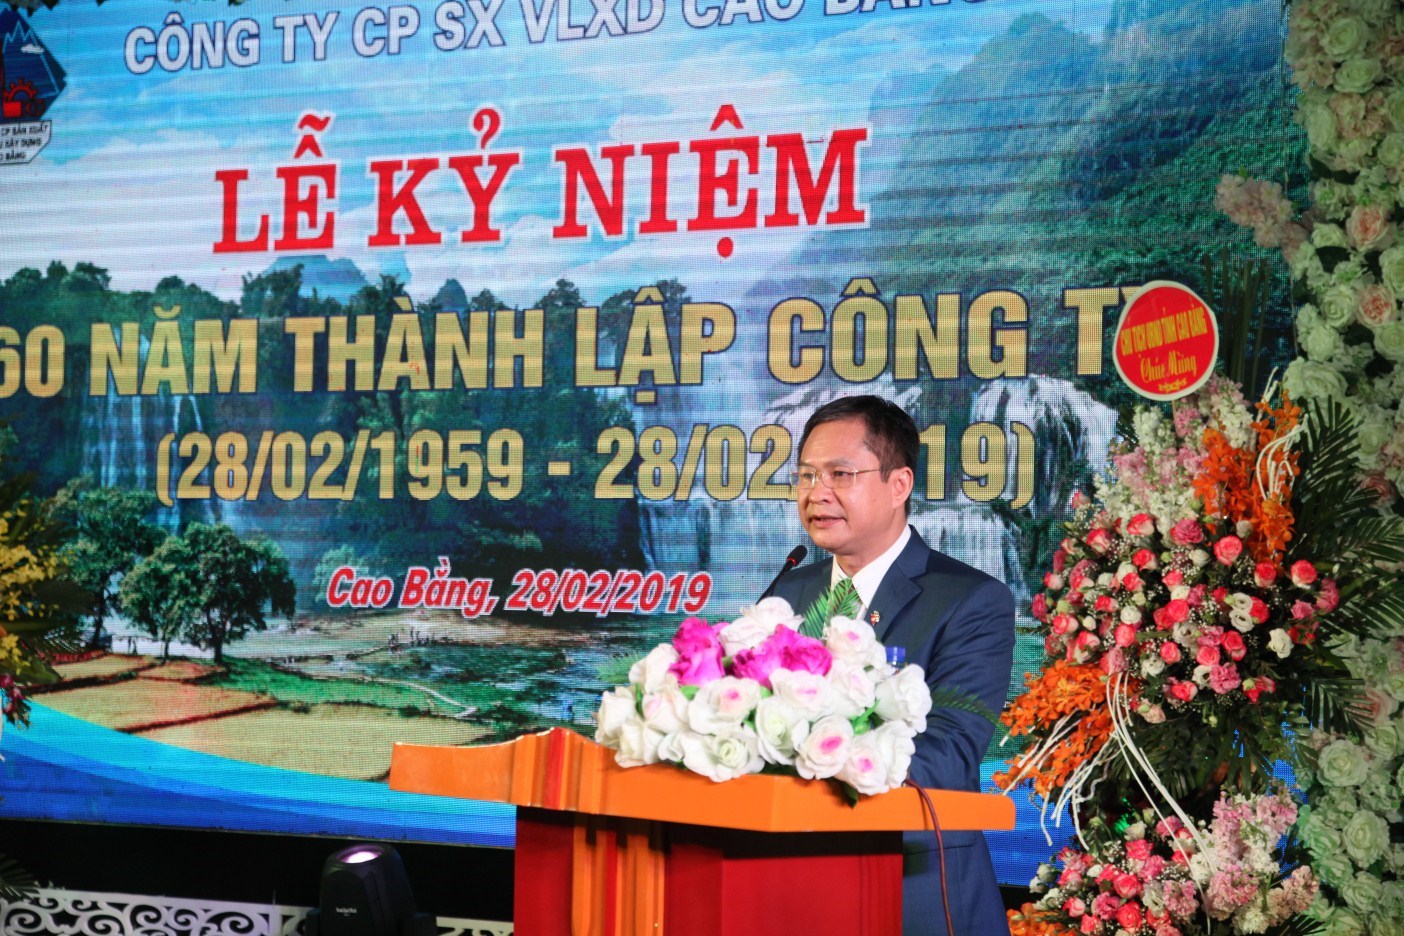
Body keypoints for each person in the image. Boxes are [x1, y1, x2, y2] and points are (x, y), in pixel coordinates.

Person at [769, 395, 1015, 936]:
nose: (817, 493)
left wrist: (810, 762)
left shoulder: (969, 600)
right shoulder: (787, 593)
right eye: (806, 475)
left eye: (840, 474)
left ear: (899, 484)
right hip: (787, 885)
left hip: (914, 889)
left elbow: (949, 754)